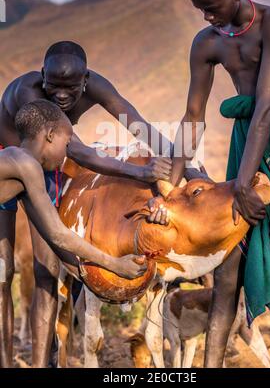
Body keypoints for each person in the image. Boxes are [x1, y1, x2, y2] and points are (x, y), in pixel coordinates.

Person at [151, 0, 270, 367]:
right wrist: (171, 189)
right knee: (228, 265)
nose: (207, 15)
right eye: (200, 9)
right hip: (246, 146)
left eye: (213, 6)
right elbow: (193, 118)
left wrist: (242, 184)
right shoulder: (208, 42)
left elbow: (267, 106)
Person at [0, 43, 172, 367]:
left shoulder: (36, 158)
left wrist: (183, 164)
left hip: (33, 165)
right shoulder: (29, 106)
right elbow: (77, 154)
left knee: (49, 268)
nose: (62, 96)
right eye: (54, 86)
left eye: (71, 88)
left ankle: (42, 363)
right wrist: (113, 264)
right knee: (3, 272)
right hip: (22, 164)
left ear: (86, 79)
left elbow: (138, 124)